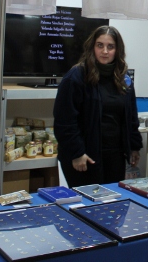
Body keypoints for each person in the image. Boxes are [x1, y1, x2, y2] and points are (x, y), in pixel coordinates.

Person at [53, 26, 142, 187]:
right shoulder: (76, 77)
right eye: (100, 45)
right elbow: (64, 121)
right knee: (87, 201)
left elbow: (131, 116)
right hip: (84, 157)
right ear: (92, 47)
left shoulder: (123, 78)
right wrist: (76, 152)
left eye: (110, 46)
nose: (105, 51)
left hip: (115, 156)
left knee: (113, 199)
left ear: (118, 50)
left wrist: (134, 147)